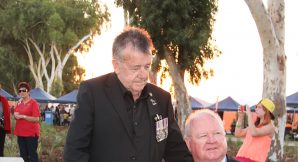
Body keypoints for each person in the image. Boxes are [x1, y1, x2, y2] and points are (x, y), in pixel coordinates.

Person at [64, 26, 193, 162]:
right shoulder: (92, 93)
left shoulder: (162, 99)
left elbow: (176, 151)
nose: (143, 75)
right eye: (135, 68)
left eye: (147, 66)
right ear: (116, 65)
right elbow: (75, 151)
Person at [14, 82, 40, 162]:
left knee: (32, 155)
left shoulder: (33, 103)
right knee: (23, 155)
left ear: (28, 92)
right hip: (20, 132)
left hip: (31, 133)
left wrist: (23, 116)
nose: (21, 92)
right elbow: (16, 115)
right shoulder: (19, 103)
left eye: (23, 90)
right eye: (20, 91)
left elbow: (36, 119)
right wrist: (15, 115)